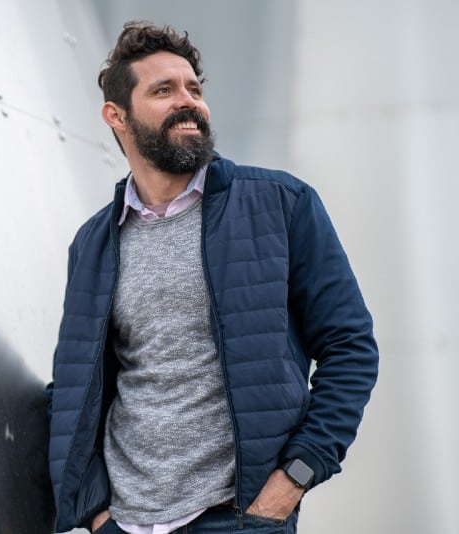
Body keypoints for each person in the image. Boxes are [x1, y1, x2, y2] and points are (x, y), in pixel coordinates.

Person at [45, 21, 379, 534]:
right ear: (117, 116)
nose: (189, 101)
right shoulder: (94, 244)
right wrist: (95, 512)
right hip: (127, 523)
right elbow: (79, 385)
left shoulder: (281, 205)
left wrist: (294, 477)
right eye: (164, 90)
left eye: (194, 89)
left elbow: (350, 345)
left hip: (241, 517)